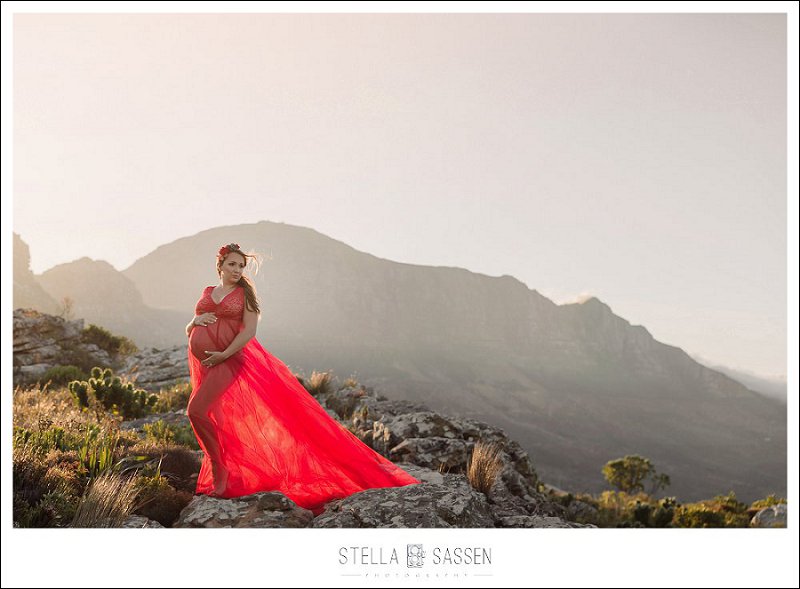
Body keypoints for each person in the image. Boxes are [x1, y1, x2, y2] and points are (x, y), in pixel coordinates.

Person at [185, 242, 421, 515]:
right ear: (221, 266)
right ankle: (228, 471)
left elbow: (249, 332)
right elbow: (193, 322)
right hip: (206, 364)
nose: (237, 270)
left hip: (229, 360)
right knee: (218, 418)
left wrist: (224, 354)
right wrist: (193, 323)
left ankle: (220, 467)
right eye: (232, 264)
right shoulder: (207, 291)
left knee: (196, 411)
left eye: (241, 266)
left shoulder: (245, 295)